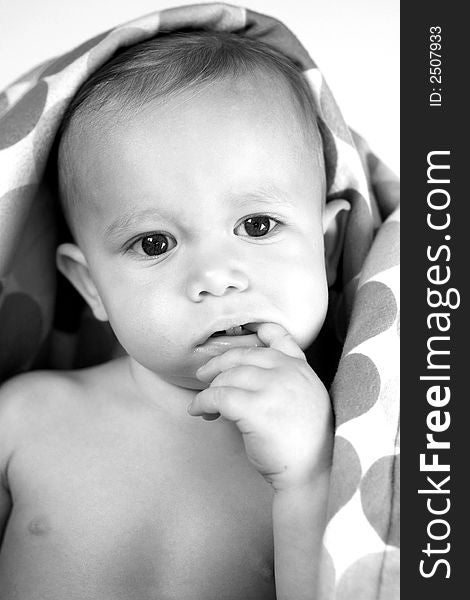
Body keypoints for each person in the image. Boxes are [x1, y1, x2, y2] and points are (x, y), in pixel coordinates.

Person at [0, 31, 351, 600]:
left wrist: (306, 481)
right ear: (91, 285)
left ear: (328, 248)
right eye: (155, 242)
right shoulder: (23, 417)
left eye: (257, 226)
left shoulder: (349, 452)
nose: (215, 276)